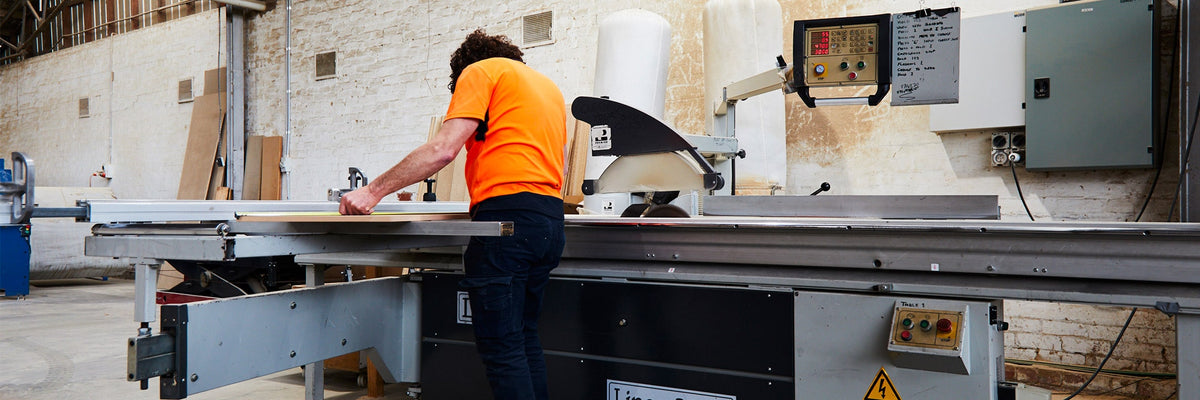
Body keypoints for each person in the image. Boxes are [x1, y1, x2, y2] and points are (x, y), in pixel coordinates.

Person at [339, 29, 566, 400]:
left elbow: (444, 150)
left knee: (502, 350)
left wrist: (372, 190)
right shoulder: (546, 88)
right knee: (524, 341)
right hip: (548, 222)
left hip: (505, 224)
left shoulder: (479, 72)